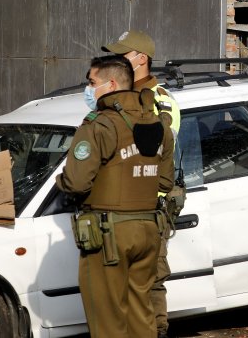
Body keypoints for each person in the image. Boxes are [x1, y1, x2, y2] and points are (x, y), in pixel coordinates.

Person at [56, 56, 174, 338]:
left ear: (110, 84)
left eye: (92, 82)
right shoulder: (158, 124)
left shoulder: (99, 124)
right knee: (141, 314)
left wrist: (62, 181)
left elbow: (76, 181)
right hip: (148, 230)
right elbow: (165, 181)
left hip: (108, 235)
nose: (88, 88)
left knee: (108, 319)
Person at [102, 29, 181, 338]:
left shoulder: (161, 102)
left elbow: (152, 147)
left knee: (149, 284)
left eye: (122, 55)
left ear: (141, 60)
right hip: (115, 206)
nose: (115, 61)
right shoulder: (114, 99)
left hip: (149, 205)